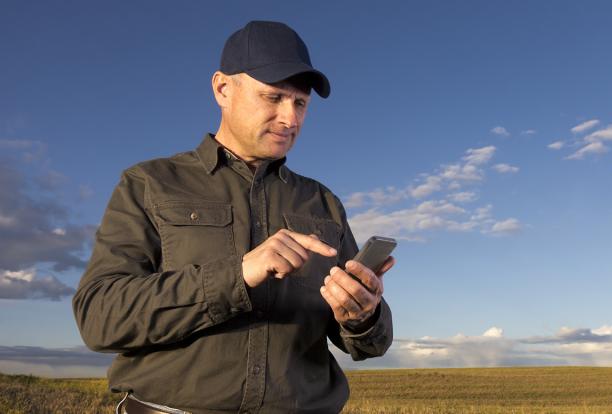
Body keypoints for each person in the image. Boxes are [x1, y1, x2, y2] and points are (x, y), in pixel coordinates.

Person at [73, 20, 394, 414]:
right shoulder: (149, 183)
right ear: (223, 89)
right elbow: (99, 317)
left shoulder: (323, 203)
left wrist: (363, 316)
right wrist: (239, 274)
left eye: (300, 103)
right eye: (273, 97)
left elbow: (368, 344)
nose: (290, 119)